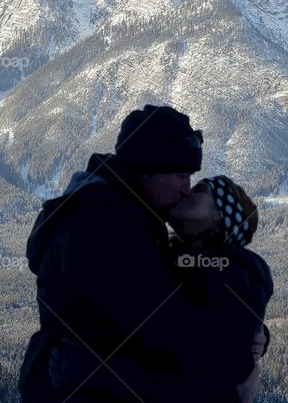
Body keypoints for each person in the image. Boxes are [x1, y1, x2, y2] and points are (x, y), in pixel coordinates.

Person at [18, 105, 266, 403]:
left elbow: (188, 311)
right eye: (180, 174)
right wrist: (238, 367)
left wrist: (252, 335)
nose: (186, 189)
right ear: (148, 169)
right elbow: (170, 329)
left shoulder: (131, 217)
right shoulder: (105, 223)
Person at [167, 175, 273, 403]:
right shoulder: (197, 267)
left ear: (219, 216)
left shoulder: (223, 276)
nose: (187, 192)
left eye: (200, 191)